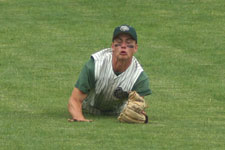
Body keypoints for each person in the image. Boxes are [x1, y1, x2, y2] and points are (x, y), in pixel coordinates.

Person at [68, 25, 152, 122]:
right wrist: (79, 118)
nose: (123, 46)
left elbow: (138, 107)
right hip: (88, 109)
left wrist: (141, 115)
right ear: (112, 46)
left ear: (135, 48)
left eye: (128, 42)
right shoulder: (95, 65)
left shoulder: (139, 77)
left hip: (117, 113)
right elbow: (74, 99)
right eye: (119, 42)